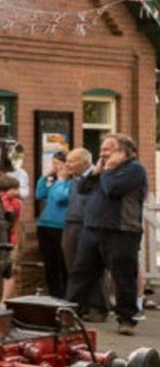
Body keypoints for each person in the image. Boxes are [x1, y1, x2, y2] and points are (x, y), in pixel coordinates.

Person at [66, 133, 148, 335]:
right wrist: (95, 172)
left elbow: (113, 189)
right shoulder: (102, 171)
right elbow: (83, 188)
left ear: (124, 152)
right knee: (81, 274)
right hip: (93, 228)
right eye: (102, 149)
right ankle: (67, 314)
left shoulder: (135, 169)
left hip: (121, 231)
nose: (102, 153)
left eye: (108, 149)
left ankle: (126, 319)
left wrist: (108, 171)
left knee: (123, 277)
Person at [61, 147, 107, 320]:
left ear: (85, 162)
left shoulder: (95, 177)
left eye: (72, 161)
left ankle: (98, 307)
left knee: (91, 267)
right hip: (71, 224)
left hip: (88, 225)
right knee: (73, 267)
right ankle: (79, 306)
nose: (68, 165)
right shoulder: (73, 179)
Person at [34, 151, 71, 297]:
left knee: (63, 264)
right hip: (45, 225)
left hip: (61, 227)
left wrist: (61, 180)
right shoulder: (55, 181)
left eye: (58, 164)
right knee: (50, 265)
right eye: (53, 164)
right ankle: (54, 295)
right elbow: (40, 194)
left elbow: (60, 197)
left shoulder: (72, 183)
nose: (55, 167)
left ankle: (67, 296)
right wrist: (44, 177)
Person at [0, 174, 23, 301]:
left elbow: (7, 211)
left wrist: (6, 196)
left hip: (10, 240)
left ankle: (4, 300)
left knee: (9, 272)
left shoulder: (15, 203)